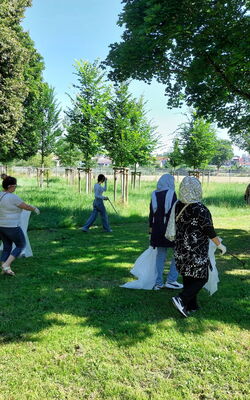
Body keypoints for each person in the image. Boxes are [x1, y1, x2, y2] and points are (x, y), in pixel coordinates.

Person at [166, 176, 226, 317]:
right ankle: (181, 299)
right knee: (201, 278)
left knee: (188, 276)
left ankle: (191, 305)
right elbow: (208, 230)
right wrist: (220, 245)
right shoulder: (200, 208)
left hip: (181, 249)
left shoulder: (178, 205)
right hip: (196, 250)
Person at [0, 176, 40, 276]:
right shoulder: (13, 197)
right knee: (21, 244)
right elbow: (25, 206)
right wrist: (34, 208)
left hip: (1, 226)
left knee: (7, 246)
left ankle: (4, 269)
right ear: (11, 186)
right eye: (15, 186)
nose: (15, 188)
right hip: (12, 226)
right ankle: (6, 265)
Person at [149, 174, 183, 290]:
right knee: (177, 253)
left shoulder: (154, 194)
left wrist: (150, 229)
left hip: (157, 228)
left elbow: (151, 213)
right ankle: (171, 280)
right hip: (169, 227)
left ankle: (158, 282)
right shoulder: (171, 193)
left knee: (160, 255)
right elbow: (174, 211)